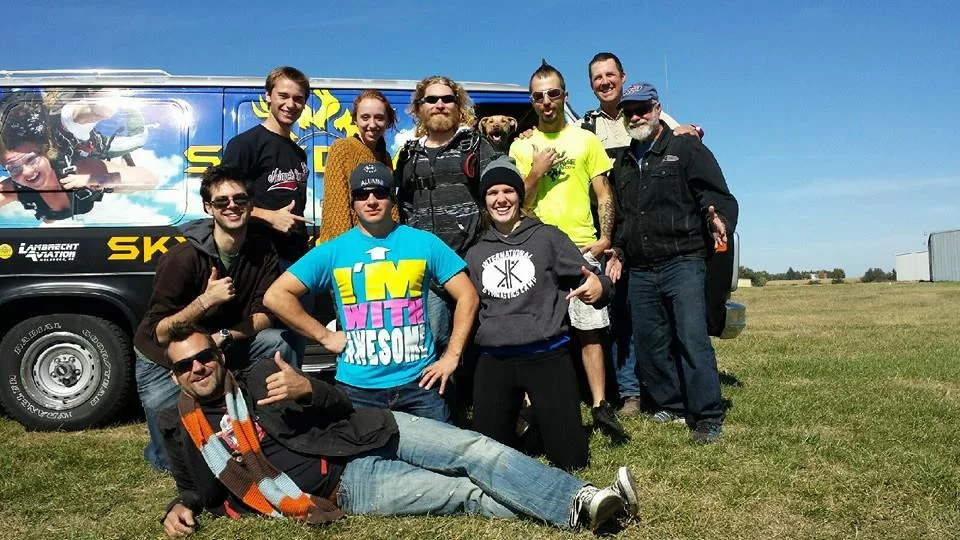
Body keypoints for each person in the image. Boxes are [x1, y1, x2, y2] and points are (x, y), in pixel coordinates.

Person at [158, 322, 639, 536]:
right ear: (175, 376)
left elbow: (339, 403)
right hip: (346, 485)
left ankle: (580, 497)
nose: (197, 368)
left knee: (474, 450)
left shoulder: (263, 374)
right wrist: (179, 506)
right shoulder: (180, 429)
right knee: (463, 494)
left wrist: (308, 389)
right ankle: (592, 511)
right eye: (185, 366)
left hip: (369, 430)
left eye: (204, 357)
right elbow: (193, 488)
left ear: (220, 356)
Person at [264, 162, 479, 424]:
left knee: (443, 452)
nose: (371, 201)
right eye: (362, 194)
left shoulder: (424, 243)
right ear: (353, 202)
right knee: (359, 452)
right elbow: (276, 296)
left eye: (380, 192)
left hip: (420, 384)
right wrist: (324, 335)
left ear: (392, 198)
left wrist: (452, 357)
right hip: (357, 390)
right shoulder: (334, 250)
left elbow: (468, 295)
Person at [134, 165, 299, 473]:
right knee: (172, 461)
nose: (232, 206)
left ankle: (284, 430)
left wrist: (222, 336)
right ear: (209, 207)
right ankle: (163, 449)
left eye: (240, 199)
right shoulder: (183, 258)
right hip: (166, 355)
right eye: (222, 201)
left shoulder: (262, 250)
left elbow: (265, 315)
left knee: (279, 342)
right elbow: (160, 332)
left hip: (221, 342)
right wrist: (205, 301)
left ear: (251, 204)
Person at [605, 82, 738, 444]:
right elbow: (623, 217)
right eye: (629, 112)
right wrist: (618, 250)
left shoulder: (685, 148)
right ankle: (672, 403)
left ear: (657, 108)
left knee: (691, 339)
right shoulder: (624, 162)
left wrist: (719, 219)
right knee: (650, 341)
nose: (636, 116)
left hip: (683, 260)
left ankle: (707, 416)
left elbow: (716, 195)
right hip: (641, 268)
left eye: (642, 109)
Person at [466, 156, 613, 470]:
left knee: (572, 461)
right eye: (492, 193)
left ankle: (537, 420)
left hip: (547, 355)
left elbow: (592, 278)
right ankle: (524, 422)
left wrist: (600, 287)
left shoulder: (548, 237)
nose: (501, 199)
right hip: (495, 359)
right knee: (487, 461)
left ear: (520, 196)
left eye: (508, 191)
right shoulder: (476, 252)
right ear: (484, 201)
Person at [508, 61, 626, 441]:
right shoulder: (521, 145)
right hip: (536, 248)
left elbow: (603, 193)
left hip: (580, 245)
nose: (546, 101)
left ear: (565, 96)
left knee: (590, 330)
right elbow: (515, 200)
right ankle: (536, 407)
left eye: (553, 93)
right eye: (538, 96)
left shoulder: (585, 140)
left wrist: (605, 238)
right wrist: (536, 170)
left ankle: (600, 406)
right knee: (537, 333)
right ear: (532, 101)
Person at [581, 53, 704, 417]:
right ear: (591, 84)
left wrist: (693, 130)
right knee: (620, 313)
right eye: (597, 77)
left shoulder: (651, 112)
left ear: (622, 77)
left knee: (655, 316)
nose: (605, 81)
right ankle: (631, 392)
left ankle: (667, 388)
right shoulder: (586, 125)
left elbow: (685, 140)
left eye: (610, 74)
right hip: (609, 229)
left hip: (649, 226)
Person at [395, 75, 499, 349]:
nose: (439, 104)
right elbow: (402, 206)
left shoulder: (475, 145)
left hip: (470, 264)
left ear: (458, 105)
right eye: (431, 99)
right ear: (419, 107)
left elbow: (500, 190)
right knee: (434, 342)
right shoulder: (408, 155)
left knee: (478, 341)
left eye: (447, 99)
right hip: (427, 270)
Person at [0, 91, 158, 222]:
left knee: (135, 140)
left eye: (31, 160)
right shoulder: (15, 187)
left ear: (46, 154)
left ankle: (100, 100)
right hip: (57, 215)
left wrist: (97, 179)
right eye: (13, 168)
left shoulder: (79, 170)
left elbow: (150, 179)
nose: (26, 172)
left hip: (90, 142)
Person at [221, 66, 312, 267]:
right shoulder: (245, 144)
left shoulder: (299, 153)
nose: (291, 104)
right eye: (283, 96)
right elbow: (222, 202)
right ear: (268, 96)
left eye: (298, 99)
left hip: (296, 257)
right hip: (259, 259)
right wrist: (269, 216)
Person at [317, 90, 399, 243]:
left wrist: (394, 242)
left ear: (387, 121)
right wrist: (343, 249)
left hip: (381, 243)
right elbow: (336, 209)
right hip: (353, 246)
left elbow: (390, 207)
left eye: (379, 118)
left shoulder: (385, 157)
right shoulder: (342, 149)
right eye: (365, 117)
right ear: (355, 120)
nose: (372, 124)